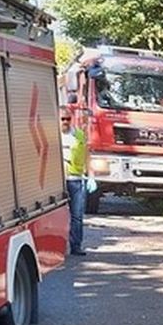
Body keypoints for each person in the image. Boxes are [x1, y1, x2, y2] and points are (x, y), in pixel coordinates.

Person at [61, 108, 90, 256]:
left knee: (77, 215)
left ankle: (76, 246)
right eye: (62, 119)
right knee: (58, 216)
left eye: (67, 119)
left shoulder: (78, 134)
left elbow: (86, 153)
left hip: (76, 180)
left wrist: (90, 174)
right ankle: (58, 246)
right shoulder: (54, 135)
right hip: (58, 181)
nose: (65, 122)